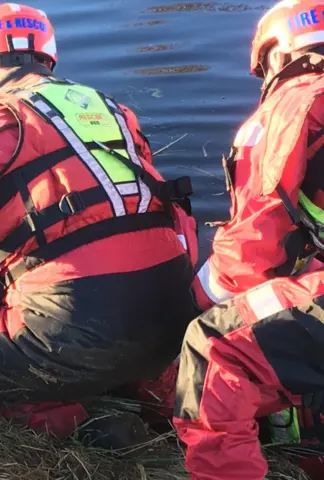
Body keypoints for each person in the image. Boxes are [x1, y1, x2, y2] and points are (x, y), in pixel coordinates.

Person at [0, 3, 201, 447]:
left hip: (63, 320)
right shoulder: (113, 112)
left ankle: (73, 423)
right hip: (170, 310)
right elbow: (171, 216)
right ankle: (165, 402)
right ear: (49, 59)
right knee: (129, 344)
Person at [173, 0, 324, 477]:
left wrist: (191, 301)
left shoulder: (291, 107)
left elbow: (251, 251)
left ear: (275, 57)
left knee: (214, 346)